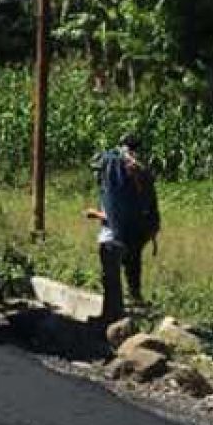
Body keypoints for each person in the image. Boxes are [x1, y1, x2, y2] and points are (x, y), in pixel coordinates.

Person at [84, 133, 161, 322]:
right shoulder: (140, 170)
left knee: (111, 276)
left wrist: (95, 214)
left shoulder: (113, 167)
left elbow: (115, 213)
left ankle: (112, 316)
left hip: (114, 234)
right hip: (139, 230)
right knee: (132, 265)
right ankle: (135, 304)